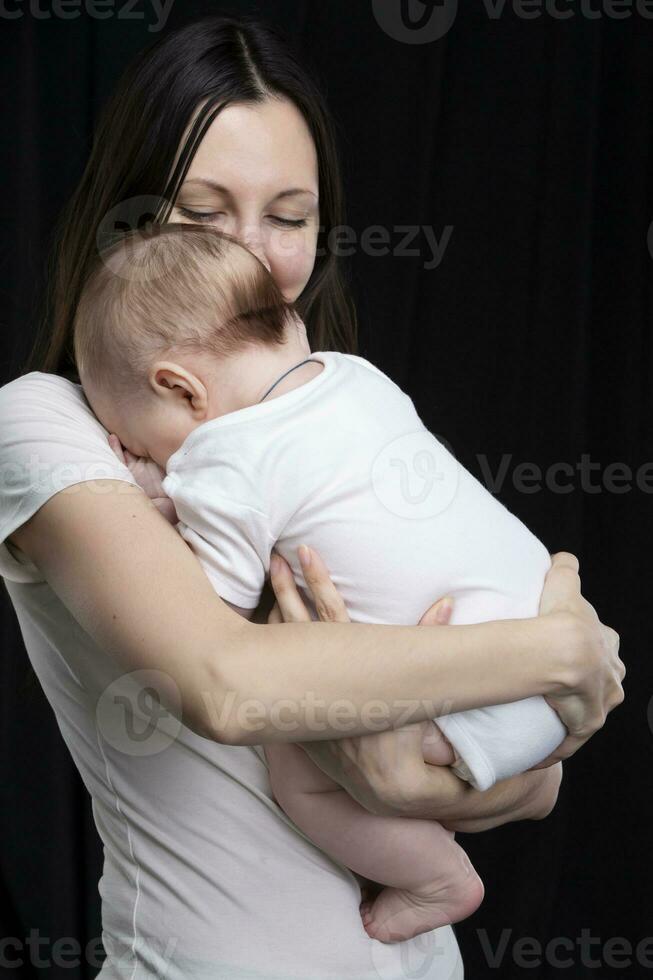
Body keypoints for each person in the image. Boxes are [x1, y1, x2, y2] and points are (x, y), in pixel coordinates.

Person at [0, 13, 624, 980]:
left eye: (288, 216)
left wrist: (452, 755)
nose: (254, 254)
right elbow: (226, 683)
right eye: (203, 214)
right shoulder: (47, 424)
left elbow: (529, 788)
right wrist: (556, 650)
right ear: (122, 223)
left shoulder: (335, 414)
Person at [71, 220, 574, 946]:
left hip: (474, 695)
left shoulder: (223, 460)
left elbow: (218, 608)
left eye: (143, 439)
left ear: (180, 389)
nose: (154, 457)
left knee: (296, 762)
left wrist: (162, 490)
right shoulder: (354, 376)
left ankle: (437, 876)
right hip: (537, 639)